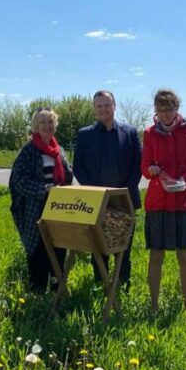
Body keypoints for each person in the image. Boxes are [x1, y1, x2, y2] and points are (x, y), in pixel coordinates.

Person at [141, 89, 186, 313]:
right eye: (161, 110)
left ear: (177, 108)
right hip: (158, 201)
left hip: (185, 201)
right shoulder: (150, 133)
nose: (165, 114)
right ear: (156, 110)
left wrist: (185, 180)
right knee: (156, 255)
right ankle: (153, 306)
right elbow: (145, 167)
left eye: (169, 109)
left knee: (183, 255)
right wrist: (152, 170)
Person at [73, 90, 142, 289]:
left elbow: (138, 164)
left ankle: (122, 283)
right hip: (96, 202)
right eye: (99, 106)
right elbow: (79, 167)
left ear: (114, 106)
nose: (104, 109)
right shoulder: (85, 135)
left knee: (124, 247)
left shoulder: (129, 132)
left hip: (125, 200)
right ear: (94, 109)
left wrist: (122, 194)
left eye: (107, 105)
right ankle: (100, 282)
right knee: (99, 247)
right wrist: (97, 194)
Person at [9, 108, 73, 292]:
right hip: (34, 209)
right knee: (37, 251)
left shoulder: (59, 150)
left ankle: (56, 292)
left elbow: (68, 175)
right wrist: (44, 190)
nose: (47, 126)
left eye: (50, 122)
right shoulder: (28, 151)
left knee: (59, 248)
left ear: (55, 125)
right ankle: (36, 294)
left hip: (58, 208)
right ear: (36, 126)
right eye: (42, 122)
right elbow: (19, 181)